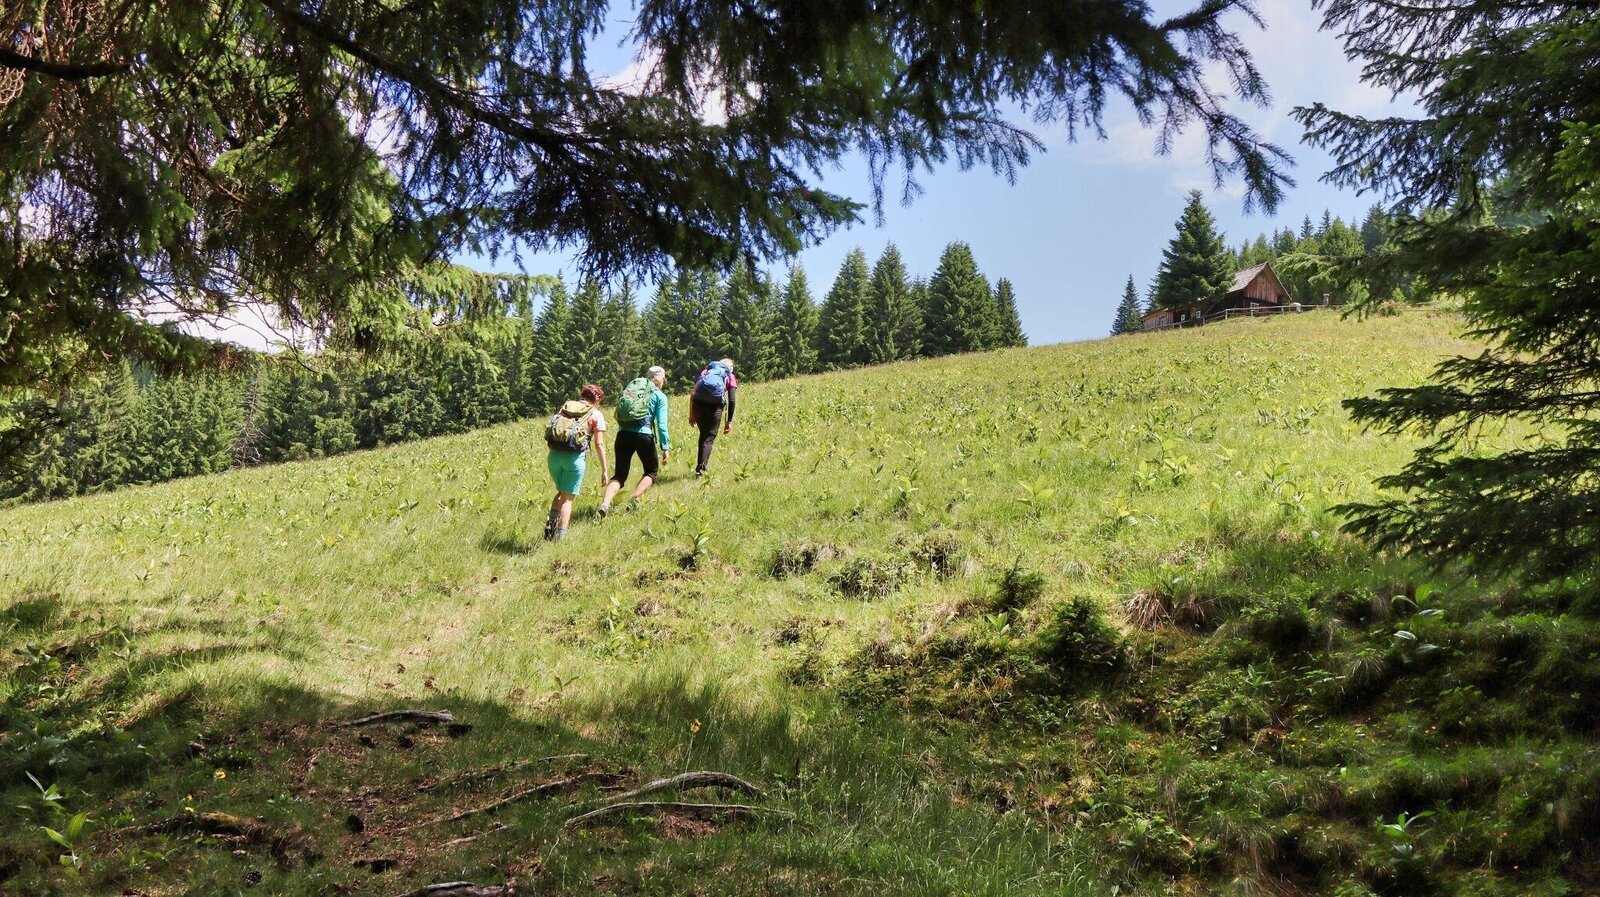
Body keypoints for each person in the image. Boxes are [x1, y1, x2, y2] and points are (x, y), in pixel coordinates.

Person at [600, 365, 671, 515]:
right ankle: (635, 499)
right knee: (651, 472)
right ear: (661, 380)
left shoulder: (635, 390)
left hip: (623, 434)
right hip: (643, 435)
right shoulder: (660, 397)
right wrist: (665, 447)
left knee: (619, 475)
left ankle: (605, 504)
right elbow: (662, 425)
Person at [543, 384, 607, 542]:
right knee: (567, 499)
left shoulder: (566, 407)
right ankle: (560, 539)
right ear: (597, 399)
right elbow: (599, 444)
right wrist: (604, 470)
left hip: (554, 456)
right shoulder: (595, 414)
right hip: (574, 458)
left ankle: (550, 528)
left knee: (560, 492)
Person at [688, 357, 737, 477]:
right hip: (715, 407)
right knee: (709, 438)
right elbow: (732, 400)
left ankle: (700, 468)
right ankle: (701, 470)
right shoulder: (729, 375)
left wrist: (691, 414)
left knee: (703, 435)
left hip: (698, 404)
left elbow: (693, 393)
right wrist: (729, 421)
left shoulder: (706, 371)